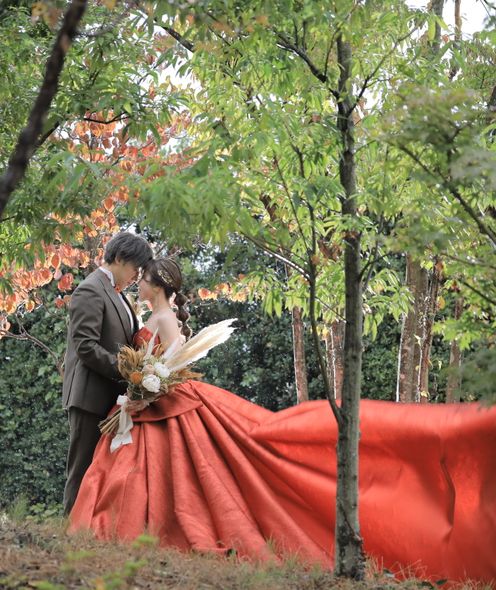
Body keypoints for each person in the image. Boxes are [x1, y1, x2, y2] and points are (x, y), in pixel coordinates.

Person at [69, 257, 496, 585]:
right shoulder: (148, 315)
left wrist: (147, 390)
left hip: (162, 400)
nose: (138, 283)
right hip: (150, 400)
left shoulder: (163, 319)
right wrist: (141, 389)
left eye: (144, 279)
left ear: (159, 285)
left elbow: (170, 361)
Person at [62, 231, 152, 515]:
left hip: (111, 397)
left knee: (100, 473)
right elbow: (85, 346)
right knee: (82, 471)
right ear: (121, 258)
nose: (137, 276)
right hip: (89, 396)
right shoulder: (90, 289)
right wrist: (128, 372)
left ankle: (89, 531)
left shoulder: (119, 294)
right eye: (136, 268)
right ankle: (67, 531)